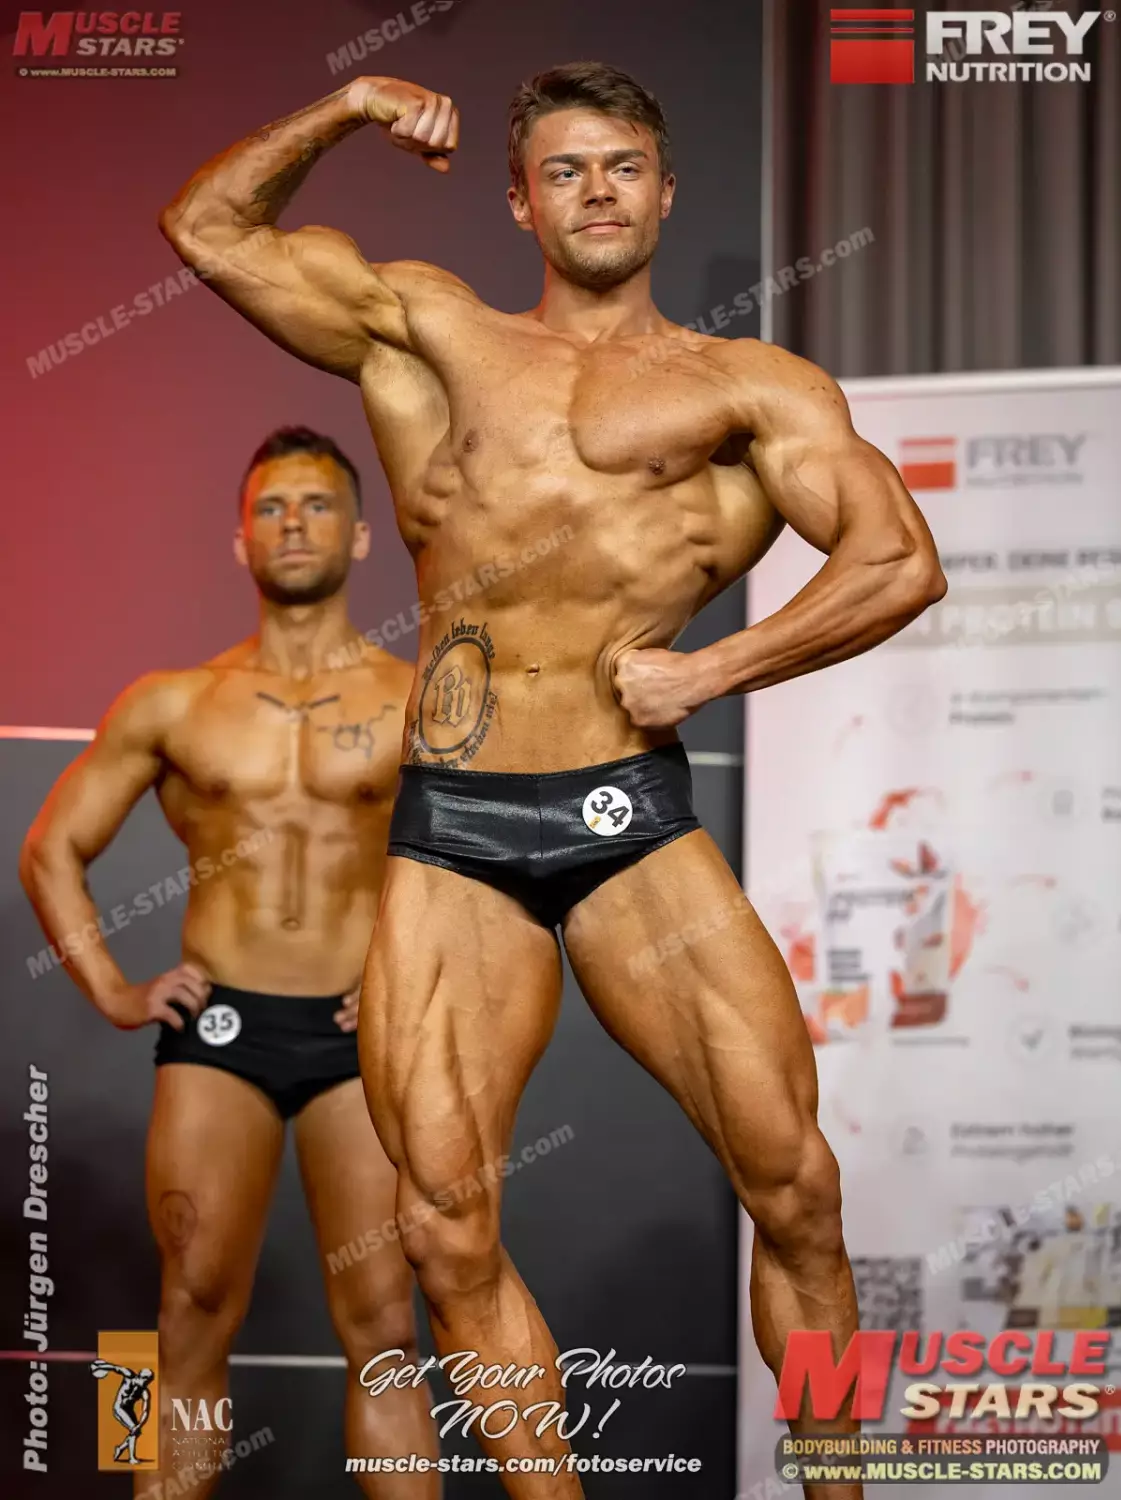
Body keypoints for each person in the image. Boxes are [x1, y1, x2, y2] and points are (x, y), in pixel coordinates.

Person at [158, 63, 947, 1497]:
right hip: (456, 832)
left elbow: (899, 562)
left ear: (665, 190)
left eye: (623, 166)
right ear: (521, 200)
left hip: (626, 816)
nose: (597, 192)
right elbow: (207, 228)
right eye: (566, 170)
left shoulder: (748, 388)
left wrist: (715, 671)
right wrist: (344, 108)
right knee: (442, 1230)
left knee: (798, 1188)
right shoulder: (429, 333)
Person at [21, 427, 438, 1498]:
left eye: (316, 505)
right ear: (239, 541)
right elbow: (50, 849)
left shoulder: (414, 697)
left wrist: (408, 983)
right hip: (219, 1035)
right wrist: (115, 989)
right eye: (270, 508)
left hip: (359, 1040)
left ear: (361, 535)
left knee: (388, 1325)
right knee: (180, 1311)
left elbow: (482, 868)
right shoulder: (171, 701)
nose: (292, 524)